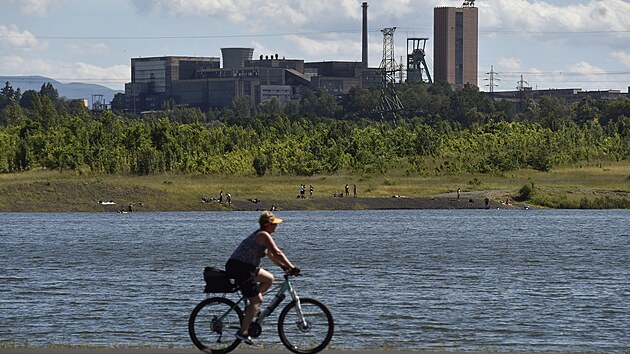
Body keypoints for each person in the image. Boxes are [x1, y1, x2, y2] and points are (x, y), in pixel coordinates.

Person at [225, 211, 299, 345]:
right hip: (240, 267)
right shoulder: (263, 235)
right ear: (266, 224)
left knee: (269, 278)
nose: (276, 227)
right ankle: (243, 332)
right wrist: (292, 267)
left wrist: (284, 267)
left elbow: (271, 256)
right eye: (274, 224)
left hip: (247, 267)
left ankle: (251, 308)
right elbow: (277, 252)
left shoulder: (264, 235)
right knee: (256, 300)